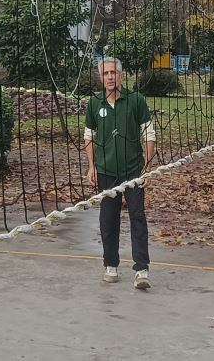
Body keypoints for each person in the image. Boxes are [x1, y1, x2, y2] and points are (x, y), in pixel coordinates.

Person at [83, 56, 156, 290]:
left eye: (113, 72)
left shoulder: (136, 100)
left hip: (133, 170)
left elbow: (149, 135)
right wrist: (92, 166)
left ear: (121, 75)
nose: (110, 77)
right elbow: (88, 136)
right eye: (105, 73)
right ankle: (110, 265)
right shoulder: (94, 103)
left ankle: (141, 270)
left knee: (137, 218)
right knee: (108, 220)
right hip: (106, 171)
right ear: (101, 77)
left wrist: (147, 168)